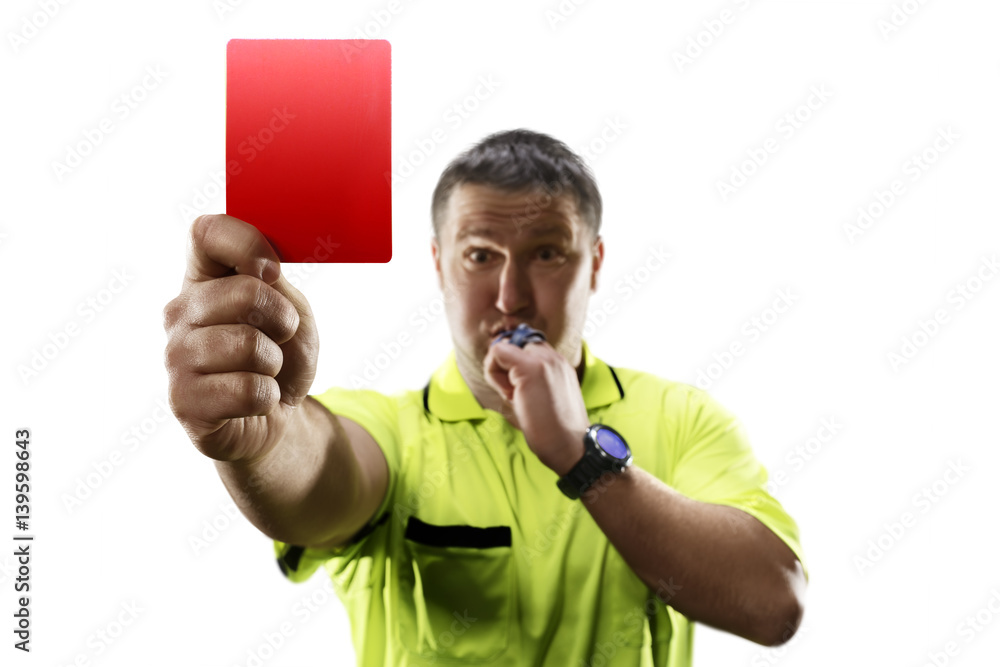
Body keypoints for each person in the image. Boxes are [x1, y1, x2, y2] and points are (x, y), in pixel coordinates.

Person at [163, 129, 808, 666]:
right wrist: (264, 434)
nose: (510, 297)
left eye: (548, 253)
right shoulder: (392, 431)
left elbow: (773, 604)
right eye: (480, 256)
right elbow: (317, 477)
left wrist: (583, 459)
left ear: (596, 264)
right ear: (440, 264)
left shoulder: (681, 418)